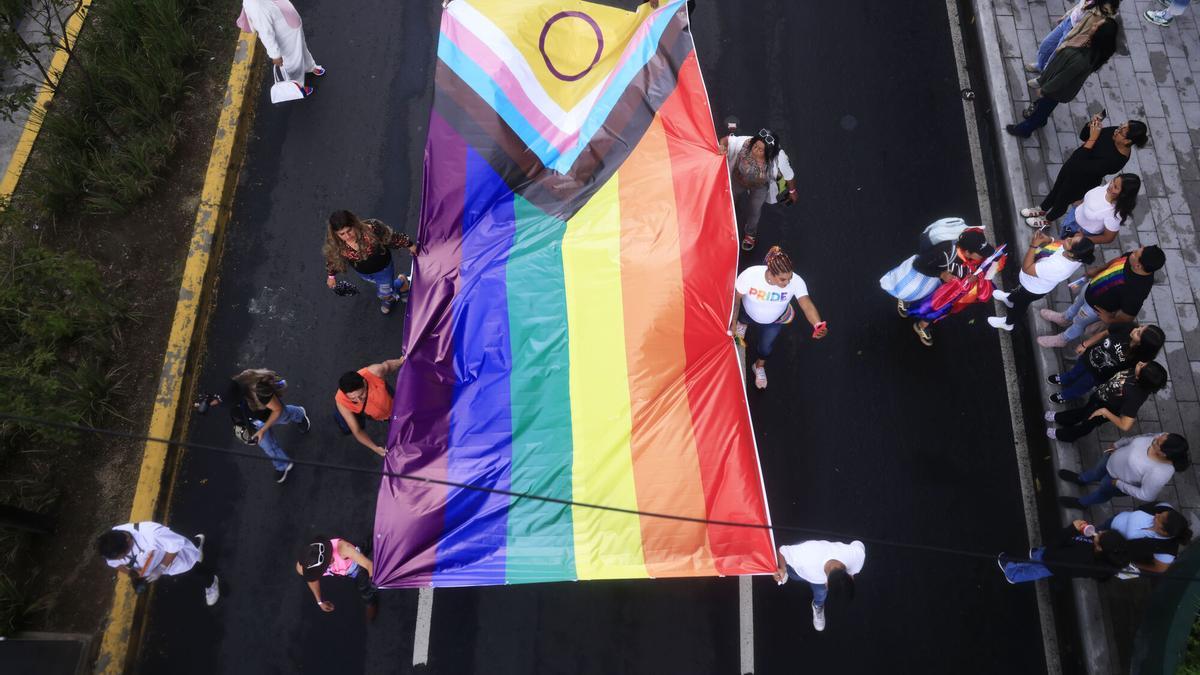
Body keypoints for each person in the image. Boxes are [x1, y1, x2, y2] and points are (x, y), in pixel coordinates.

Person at [730, 247, 827, 390]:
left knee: (766, 348)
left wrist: (818, 324)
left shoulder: (796, 281)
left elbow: (806, 304)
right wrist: (733, 322)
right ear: (771, 273)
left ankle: (759, 366)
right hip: (748, 313)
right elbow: (736, 299)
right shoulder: (750, 275)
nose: (787, 283)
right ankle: (742, 325)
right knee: (743, 319)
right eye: (782, 279)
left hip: (774, 321)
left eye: (790, 278)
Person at [1006, 16, 1119, 138]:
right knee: (1046, 106)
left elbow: (1062, 79)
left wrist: (1044, 89)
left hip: (1056, 89)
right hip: (1058, 84)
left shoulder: (1082, 59)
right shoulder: (1092, 46)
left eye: (1096, 26)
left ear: (1100, 35)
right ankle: (1041, 120)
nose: (1093, 25)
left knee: (1043, 107)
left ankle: (1025, 129)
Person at [1020, 117, 1147, 223]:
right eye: (1120, 126)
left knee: (1062, 201)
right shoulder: (1114, 132)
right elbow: (1084, 136)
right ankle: (1042, 208)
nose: (1116, 130)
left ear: (1128, 141)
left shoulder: (1116, 161)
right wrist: (1091, 125)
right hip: (1071, 167)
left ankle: (1047, 219)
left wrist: (1093, 138)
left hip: (1081, 182)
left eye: (1121, 132)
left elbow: (1081, 163)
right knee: (1056, 189)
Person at [1038, 245, 1165, 349]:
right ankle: (1064, 318)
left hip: (1094, 309)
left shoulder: (1137, 291)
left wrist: (1109, 319)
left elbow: (1128, 316)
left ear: (1138, 266)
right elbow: (1116, 261)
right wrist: (1099, 269)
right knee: (1076, 304)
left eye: (1136, 254)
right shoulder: (1133, 258)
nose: (1133, 252)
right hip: (1090, 288)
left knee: (1079, 323)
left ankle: (1063, 339)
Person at [905, 228, 996, 347]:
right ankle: (908, 305)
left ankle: (922, 323)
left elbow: (979, 266)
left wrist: (976, 276)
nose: (983, 256)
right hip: (935, 284)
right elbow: (917, 265)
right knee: (932, 305)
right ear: (967, 253)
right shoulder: (944, 252)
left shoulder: (970, 255)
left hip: (950, 291)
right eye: (981, 253)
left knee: (943, 307)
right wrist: (941, 274)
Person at [989, 231, 1094, 331]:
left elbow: (1027, 268)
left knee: (1019, 306)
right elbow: (1059, 243)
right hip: (1031, 283)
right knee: (1019, 293)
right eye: (1072, 237)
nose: (1068, 238)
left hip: (1032, 288)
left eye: (1070, 241)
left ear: (1072, 254)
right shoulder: (1077, 256)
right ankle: (1010, 299)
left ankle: (1008, 323)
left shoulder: (1058, 267)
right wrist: (1048, 239)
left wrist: (1033, 245)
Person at [97, 522, 219, 606]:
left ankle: (212, 582)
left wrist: (161, 568)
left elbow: (175, 548)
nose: (122, 559)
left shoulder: (153, 533)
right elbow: (114, 563)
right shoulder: (110, 547)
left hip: (177, 558)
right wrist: (132, 573)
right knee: (179, 544)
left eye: (124, 555)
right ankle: (196, 544)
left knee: (195, 570)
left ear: (128, 540)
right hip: (158, 562)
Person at [1057, 432, 1191, 508]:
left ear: (1163, 454)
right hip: (1111, 458)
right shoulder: (1163, 438)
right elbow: (1140, 437)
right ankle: (1081, 479)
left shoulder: (1160, 473)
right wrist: (1119, 444)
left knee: (1102, 493)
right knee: (1096, 472)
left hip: (1115, 481)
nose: (1155, 439)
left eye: (1157, 443)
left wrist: (1119, 484)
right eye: (1160, 436)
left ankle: (1082, 503)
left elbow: (1147, 495)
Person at [1046, 360, 1168, 443]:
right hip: (1098, 398)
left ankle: (1065, 435)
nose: (1141, 363)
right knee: (1083, 412)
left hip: (1105, 409)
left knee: (1087, 424)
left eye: (1142, 367)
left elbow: (1125, 425)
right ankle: (1060, 418)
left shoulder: (1135, 397)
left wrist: (1105, 412)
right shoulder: (1135, 373)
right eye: (1145, 363)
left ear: (1141, 378)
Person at [324, 210, 418, 315]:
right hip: (364, 273)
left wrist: (409, 245)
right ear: (335, 233)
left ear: (354, 223)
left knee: (384, 292)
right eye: (342, 234)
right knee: (383, 286)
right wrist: (331, 276)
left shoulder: (372, 228)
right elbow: (333, 258)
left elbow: (391, 237)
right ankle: (394, 290)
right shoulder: (336, 243)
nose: (347, 236)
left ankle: (399, 285)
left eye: (349, 230)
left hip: (383, 269)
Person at [719, 129, 796, 251]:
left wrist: (792, 192)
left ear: (769, 153)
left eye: (761, 150)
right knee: (730, 199)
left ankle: (750, 233)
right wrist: (722, 146)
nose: (755, 150)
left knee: (754, 209)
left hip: (759, 186)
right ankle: (731, 215)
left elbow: (789, 176)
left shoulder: (778, 159)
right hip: (738, 179)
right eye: (755, 146)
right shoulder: (745, 143)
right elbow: (726, 140)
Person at [1048, 323, 1164, 402]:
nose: (1136, 329)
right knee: (1075, 371)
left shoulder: (1138, 359)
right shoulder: (1127, 328)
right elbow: (1105, 333)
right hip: (1089, 356)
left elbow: (1127, 373)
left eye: (1139, 334)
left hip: (1097, 375)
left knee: (1081, 386)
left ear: (1142, 344)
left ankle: (1066, 395)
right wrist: (1085, 344)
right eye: (1141, 327)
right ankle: (1065, 378)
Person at [229, 369, 310, 483]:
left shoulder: (258, 389)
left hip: (269, 413)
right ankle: (282, 464)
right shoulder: (225, 396)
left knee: (286, 416)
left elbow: (278, 409)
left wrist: (262, 430)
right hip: (253, 422)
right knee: (268, 446)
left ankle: (300, 414)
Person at [772, 540, 865, 632]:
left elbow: (858, 543)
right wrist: (783, 569)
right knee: (794, 575)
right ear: (827, 584)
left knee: (820, 593)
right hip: (797, 568)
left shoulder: (858, 557)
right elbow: (782, 551)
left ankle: (818, 606)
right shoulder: (805, 555)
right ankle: (789, 570)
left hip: (811, 570)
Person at [998, 520, 1128, 583]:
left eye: (1100, 535)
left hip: (1050, 561)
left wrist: (1071, 529)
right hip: (1056, 559)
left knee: (1032, 570)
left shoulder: (1080, 559)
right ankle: (1035, 556)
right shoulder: (1099, 557)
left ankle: (1012, 573)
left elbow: (1052, 550)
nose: (1098, 532)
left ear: (1100, 548)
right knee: (1037, 560)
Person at [239, 0, 324, 96]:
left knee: (302, 51)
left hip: (292, 32)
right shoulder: (256, 7)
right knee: (292, 64)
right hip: (285, 39)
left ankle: (309, 66)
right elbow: (266, 34)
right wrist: (275, 55)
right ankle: (297, 87)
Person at [1029, 175, 1140, 246]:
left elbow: (1108, 237)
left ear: (1123, 194)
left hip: (1080, 231)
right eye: (1113, 181)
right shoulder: (1109, 187)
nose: (1110, 186)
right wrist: (1080, 202)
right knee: (1062, 236)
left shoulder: (1114, 214)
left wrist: (1084, 240)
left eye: (1116, 187)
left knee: (1063, 246)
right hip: (1074, 215)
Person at [335, 357, 405, 457]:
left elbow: (388, 366)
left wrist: (401, 361)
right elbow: (357, 430)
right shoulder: (341, 402)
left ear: (364, 382)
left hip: (392, 403)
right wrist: (375, 448)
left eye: (361, 394)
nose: (359, 400)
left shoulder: (375, 372)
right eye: (353, 398)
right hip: (375, 415)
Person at [296, 537, 379, 620]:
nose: (331, 558)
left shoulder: (344, 548)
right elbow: (312, 579)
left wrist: (373, 583)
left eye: (327, 554)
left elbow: (369, 565)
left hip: (357, 566)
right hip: (345, 571)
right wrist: (319, 601)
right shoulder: (303, 568)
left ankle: (370, 603)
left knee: (365, 589)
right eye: (326, 563)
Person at [1026, 1, 1119, 74]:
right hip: (1067, 22)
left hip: (1073, 33)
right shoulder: (1092, 3)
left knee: (1054, 59)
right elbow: (1079, 6)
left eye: (1106, 10)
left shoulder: (1100, 13)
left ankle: (1042, 79)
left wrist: (1067, 43)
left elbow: (1084, 32)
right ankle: (1040, 66)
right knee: (1045, 46)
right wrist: (1067, 15)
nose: (1105, 11)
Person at [1105, 503, 1192, 575]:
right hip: (1114, 521)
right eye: (1161, 514)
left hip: (1112, 547)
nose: (1157, 514)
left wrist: (1133, 564)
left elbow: (1160, 569)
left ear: (1164, 532)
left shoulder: (1166, 553)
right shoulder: (1165, 507)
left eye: (1159, 518)